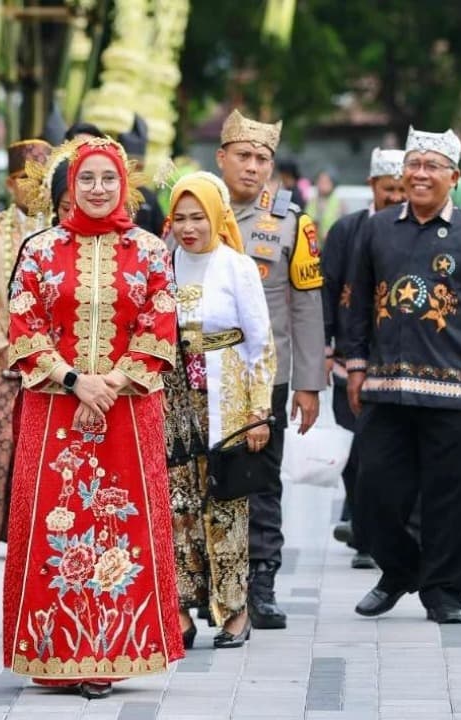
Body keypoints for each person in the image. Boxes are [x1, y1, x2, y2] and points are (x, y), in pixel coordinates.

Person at [3, 136, 184, 699]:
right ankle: (56, 649)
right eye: (87, 179)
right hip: (55, 406)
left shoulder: (151, 251)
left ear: (123, 185)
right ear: (70, 186)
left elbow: (161, 324)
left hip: (128, 412)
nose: (98, 189)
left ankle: (110, 652)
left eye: (109, 179)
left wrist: (113, 382)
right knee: (54, 523)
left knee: (118, 526)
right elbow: (23, 325)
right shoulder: (38, 249)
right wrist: (77, 381)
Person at [345, 127, 461, 624]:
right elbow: (357, 303)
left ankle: (444, 593)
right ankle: (399, 570)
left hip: (454, 388)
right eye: (413, 164)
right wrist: (355, 367)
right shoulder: (376, 228)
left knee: (450, 499)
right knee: (372, 492)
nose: (420, 174)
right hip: (384, 387)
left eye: (431, 166)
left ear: (454, 177)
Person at [217, 110, 325, 630]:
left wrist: (308, 383)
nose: (253, 167)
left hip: (266, 375)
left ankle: (261, 581)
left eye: (262, 158)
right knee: (203, 476)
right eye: (243, 156)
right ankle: (210, 582)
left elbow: (306, 305)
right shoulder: (192, 213)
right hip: (203, 372)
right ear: (222, 158)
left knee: (261, 480)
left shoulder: (291, 222)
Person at [162, 171, 274, 649]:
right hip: (172, 401)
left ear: (217, 217)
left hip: (225, 401)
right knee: (177, 507)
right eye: (181, 218)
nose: (190, 228)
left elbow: (261, 344)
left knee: (226, 506)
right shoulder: (163, 265)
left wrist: (259, 413)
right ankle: (182, 611)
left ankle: (234, 611)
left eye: (199, 218)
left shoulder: (237, 267)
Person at [323, 148, 406, 570]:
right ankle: (360, 526)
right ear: (373, 186)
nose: (395, 196)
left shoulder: (416, 232)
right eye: (388, 188)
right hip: (348, 361)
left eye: (401, 189)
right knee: (354, 452)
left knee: (389, 453)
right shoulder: (345, 230)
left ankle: (384, 530)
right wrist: (323, 345)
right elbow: (327, 288)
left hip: (398, 363)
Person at [0, 139, 50, 554]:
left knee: (42, 452)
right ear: (9, 182)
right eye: (25, 179)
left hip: (53, 361)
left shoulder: (61, 232)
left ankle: (36, 528)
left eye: (42, 179)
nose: (33, 188)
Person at [118, 114, 167, 237]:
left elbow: (162, 233)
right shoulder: (108, 195)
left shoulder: (149, 198)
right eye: (129, 165)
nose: (134, 171)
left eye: (138, 167)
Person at [305, 169, 343, 244]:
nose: (322, 184)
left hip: (331, 244)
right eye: (320, 181)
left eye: (326, 182)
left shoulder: (339, 203)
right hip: (312, 245)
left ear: (332, 183)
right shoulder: (312, 202)